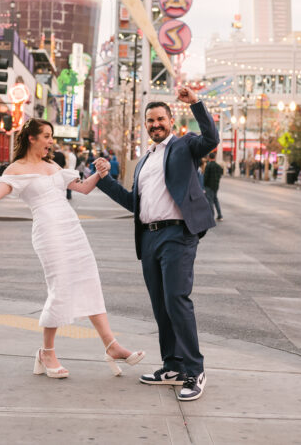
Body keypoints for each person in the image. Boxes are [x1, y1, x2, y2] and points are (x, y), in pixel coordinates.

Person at [0, 118, 144, 380]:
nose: (50, 141)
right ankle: (47, 352)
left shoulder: (52, 164)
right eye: (46, 136)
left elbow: (81, 189)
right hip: (48, 232)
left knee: (90, 281)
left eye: (51, 136)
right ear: (32, 138)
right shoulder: (16, 169)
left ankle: (112, 346)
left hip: (72, 229)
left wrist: (100, 172)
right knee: (61, 288)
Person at [95, 85, 219, 402]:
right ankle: (172, 366)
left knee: (177, 300)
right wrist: (105, 179)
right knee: (161, 306)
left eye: (160, 119)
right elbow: (132, 203)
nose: (155, 125)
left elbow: (210, 140)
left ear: (170, 121)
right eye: (150, 121)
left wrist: (197, 104)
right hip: (149, 236)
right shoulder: (144, 161)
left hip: (177, 234)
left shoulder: (184, 146)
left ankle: (195, 370)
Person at [203, 152, 223, 221]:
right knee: (215, 200)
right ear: (214, 157)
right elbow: (221, 172)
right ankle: (220, 215)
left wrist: (203, 185)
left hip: (209, 186)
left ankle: (211, 216)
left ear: (209, 158)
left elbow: (205, 177)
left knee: (210, 201)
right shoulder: (218, 166)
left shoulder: (208, 165)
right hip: (215, 186)